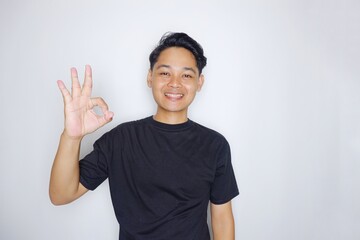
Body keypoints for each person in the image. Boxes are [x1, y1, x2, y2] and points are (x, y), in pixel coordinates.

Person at [49, 32, 239, 240]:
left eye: (186, 75)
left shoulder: (215, 145)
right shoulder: (120, 140)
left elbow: (221, 218)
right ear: (150, 77)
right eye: (165, 73)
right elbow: (61, 195)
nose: (175, 83)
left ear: (199, 82)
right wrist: (72, 136)